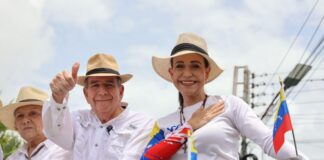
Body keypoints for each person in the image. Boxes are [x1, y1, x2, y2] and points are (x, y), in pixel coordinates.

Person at [141, 33, 308, 160]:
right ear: (172, 73)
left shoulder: (229, 105)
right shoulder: (162, 124)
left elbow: (268, 141)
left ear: (206, 72)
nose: (187, 74)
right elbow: (148, 158)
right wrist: (189, 126)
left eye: (195, 66)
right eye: (179, 66)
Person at [42, 53, 153, 160]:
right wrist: (58, 96)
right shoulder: (77, 119)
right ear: (86, 94)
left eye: (109, 85)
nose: (102, 92)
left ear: (121, 91)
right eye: (95, 85)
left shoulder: (141, 124)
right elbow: (54, 133)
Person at [0, 86, 71, 160]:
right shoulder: (14, 157)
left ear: (49, 119)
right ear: (16, 125)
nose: (25, 120)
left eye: (33, 113)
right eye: (20, 115)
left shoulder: (64, 152)